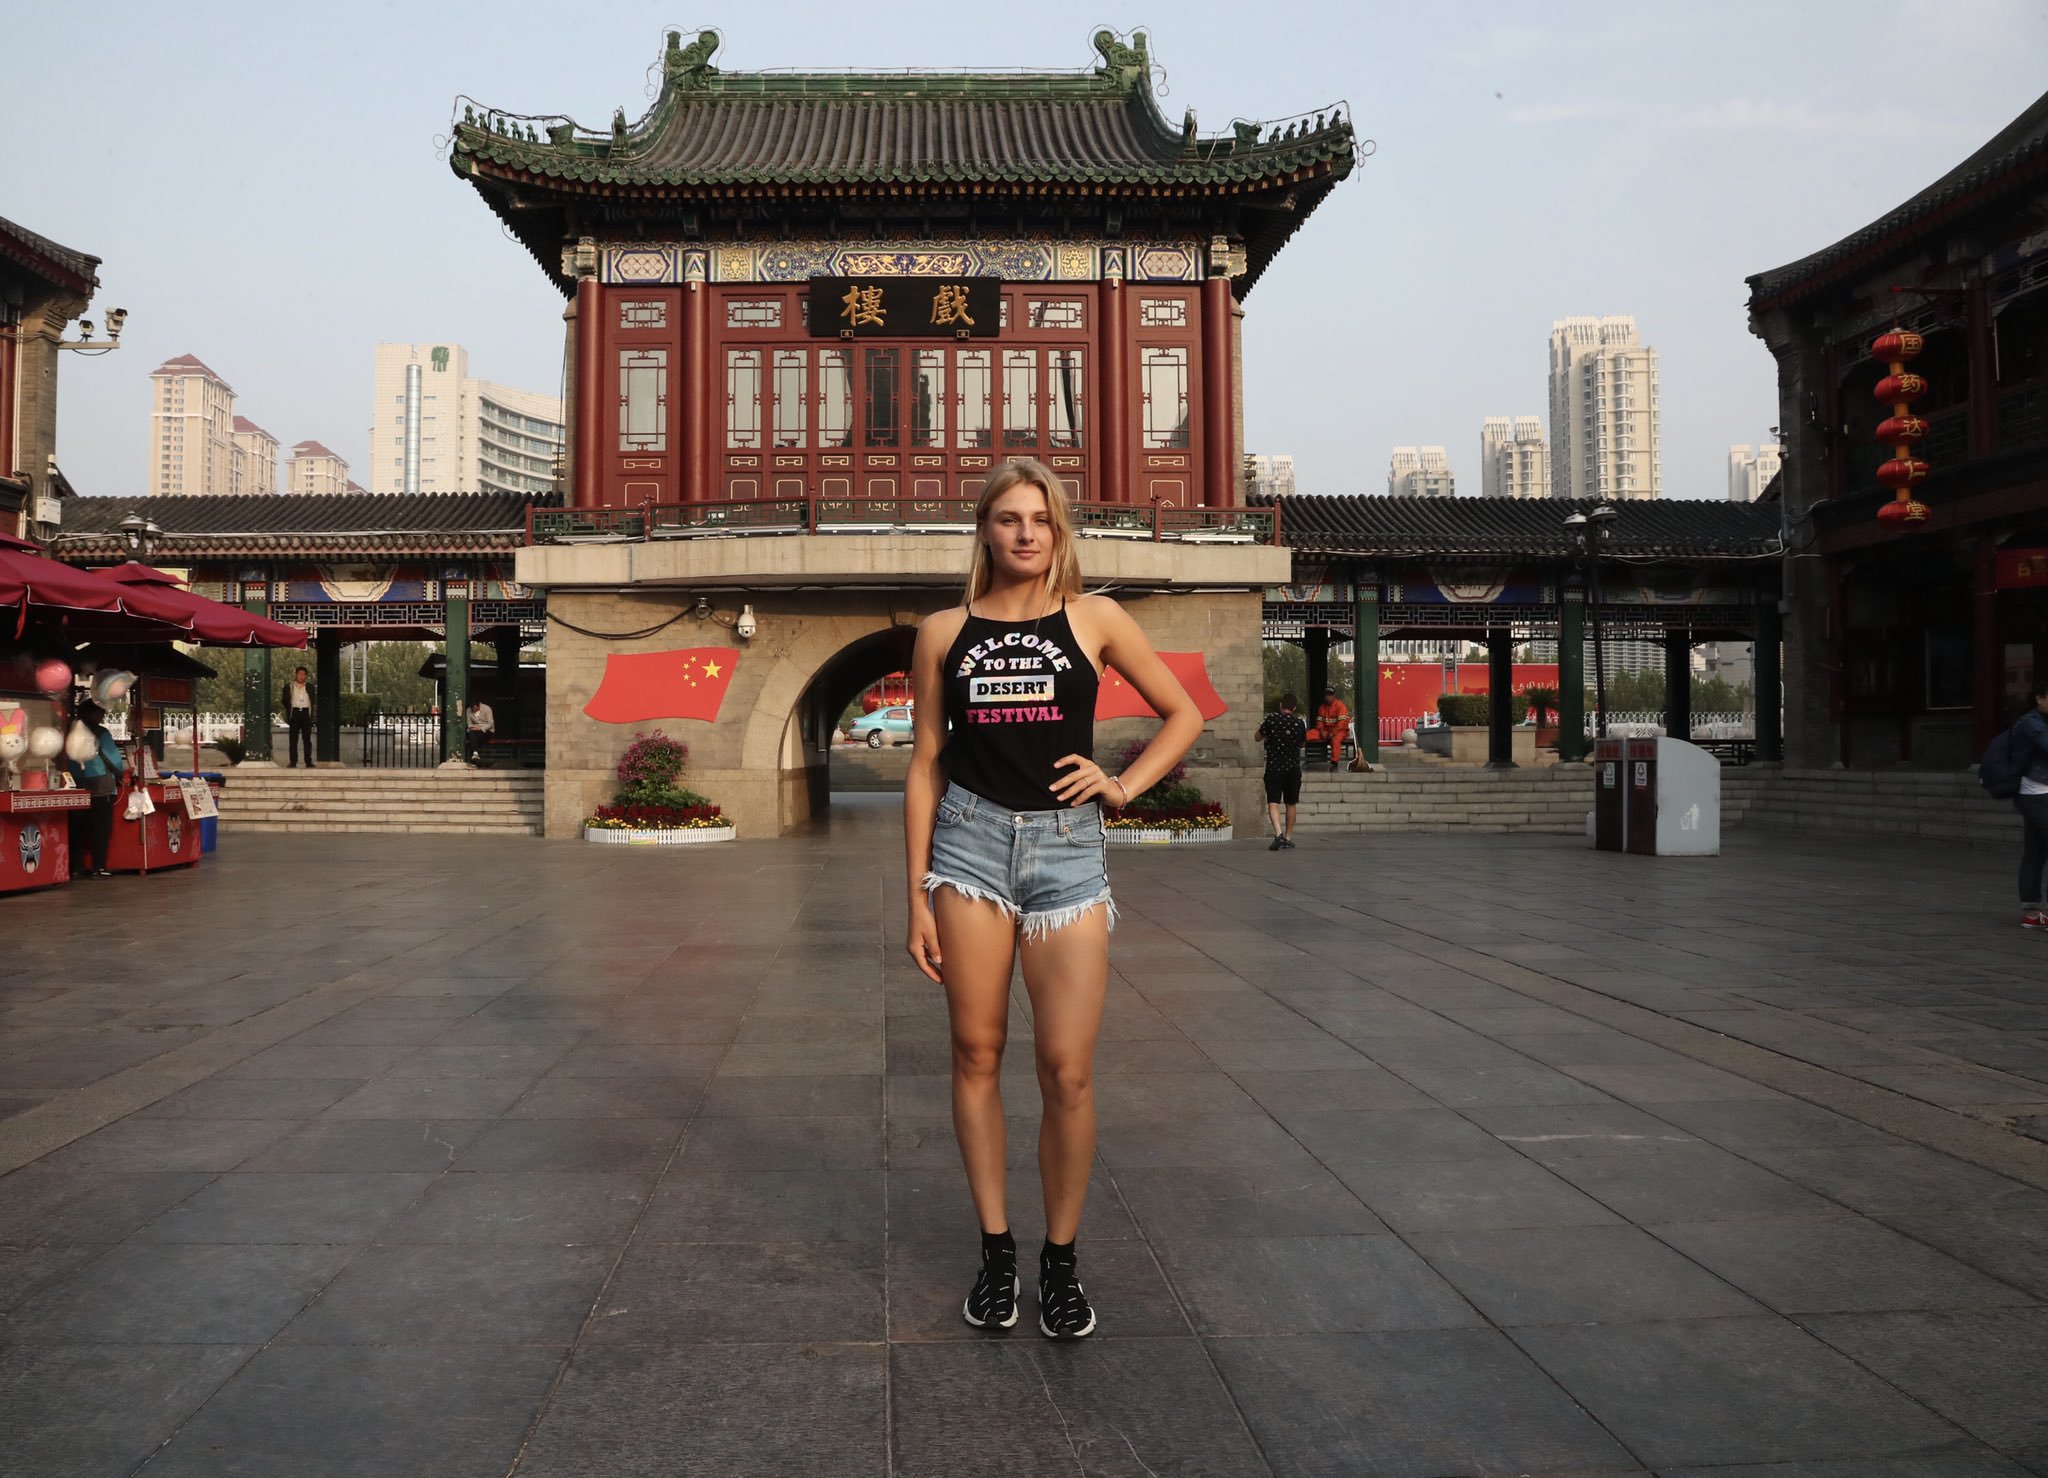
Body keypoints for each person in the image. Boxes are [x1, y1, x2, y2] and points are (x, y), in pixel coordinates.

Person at [904, 457, 1201, 1340]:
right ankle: (997, 1253)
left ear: (1058, 530)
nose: (1025, 532)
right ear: (985, 530)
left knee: (1067, 1069)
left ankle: (1060, 1262)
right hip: (968, 847)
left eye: (1039, 518)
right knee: (976, 1052)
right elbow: (924, 764)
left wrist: (1123, 786)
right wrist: (916, 895)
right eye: (1008, 518)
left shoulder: (1094, 618)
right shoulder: (942, 632)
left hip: (1068, 852)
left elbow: (1183, 713)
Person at [64, 701, 125, 878]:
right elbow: (113, 758)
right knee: (101, 829)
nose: (102, 717)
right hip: (100, 785)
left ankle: (76, 868)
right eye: (100, 713)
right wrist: (120, 773)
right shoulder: (100, 732)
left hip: (75, 783)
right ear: (91, 714)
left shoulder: (68, 731)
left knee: (77, 828)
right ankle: (98, 867)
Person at [2014, 677, 2048, 929]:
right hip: (2038, 794)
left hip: (2035, 794)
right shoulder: (2031, 722)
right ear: (2040, 698)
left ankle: (2032, 913)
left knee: (2035, 852)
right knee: (2034, 853)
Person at [1254, 692, 1308, 851]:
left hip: (1274, 768)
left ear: (1280, 705)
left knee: (1273, 801)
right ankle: (1288, 837)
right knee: (1291, 803)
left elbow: (1257, 737)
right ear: (1294, 708)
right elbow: (1302, 743)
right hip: (1293, 769)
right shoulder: (1299, 723)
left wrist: (1267, 734)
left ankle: (1278, 834)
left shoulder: (1271, 719)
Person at [281, 666, 314, 768]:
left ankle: (308, 761)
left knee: (307, 739)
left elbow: (313, 700)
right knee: (293, 739)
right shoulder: (289, 687)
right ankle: (293, 762)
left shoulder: (310, 687)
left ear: (306, 676)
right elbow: (285, 701)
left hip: (306, 712)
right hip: (294, 713)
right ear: (296, 675)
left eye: (303, 674)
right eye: (299, 674)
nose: (301, 676)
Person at [1313, 685, 1351, 772]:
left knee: (1335, 741)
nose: (1328, 697)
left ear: (1334, 696)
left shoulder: (1340, 705)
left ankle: (1334, 763)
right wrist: (1321, 730)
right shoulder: (1322, 707)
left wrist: (1332, 733)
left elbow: (1341, 724)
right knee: (1309, 734)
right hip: (1326, 730)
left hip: (1340, 731)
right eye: (1326, 695)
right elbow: (1319, 722)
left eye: (1330, 695)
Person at [466, 698, 495, 762]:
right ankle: (475, 753)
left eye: (475, 708)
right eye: (472, 709)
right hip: (475, 730)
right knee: (471, 733)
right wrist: (473, 727)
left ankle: (474, 757)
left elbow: (490, 723)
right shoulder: (468, 710)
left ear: (479, 705)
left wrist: (480, 728)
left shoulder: (487, 709)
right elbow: (469, 724)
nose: (474, 710)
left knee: (473, 738)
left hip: (487, 730)